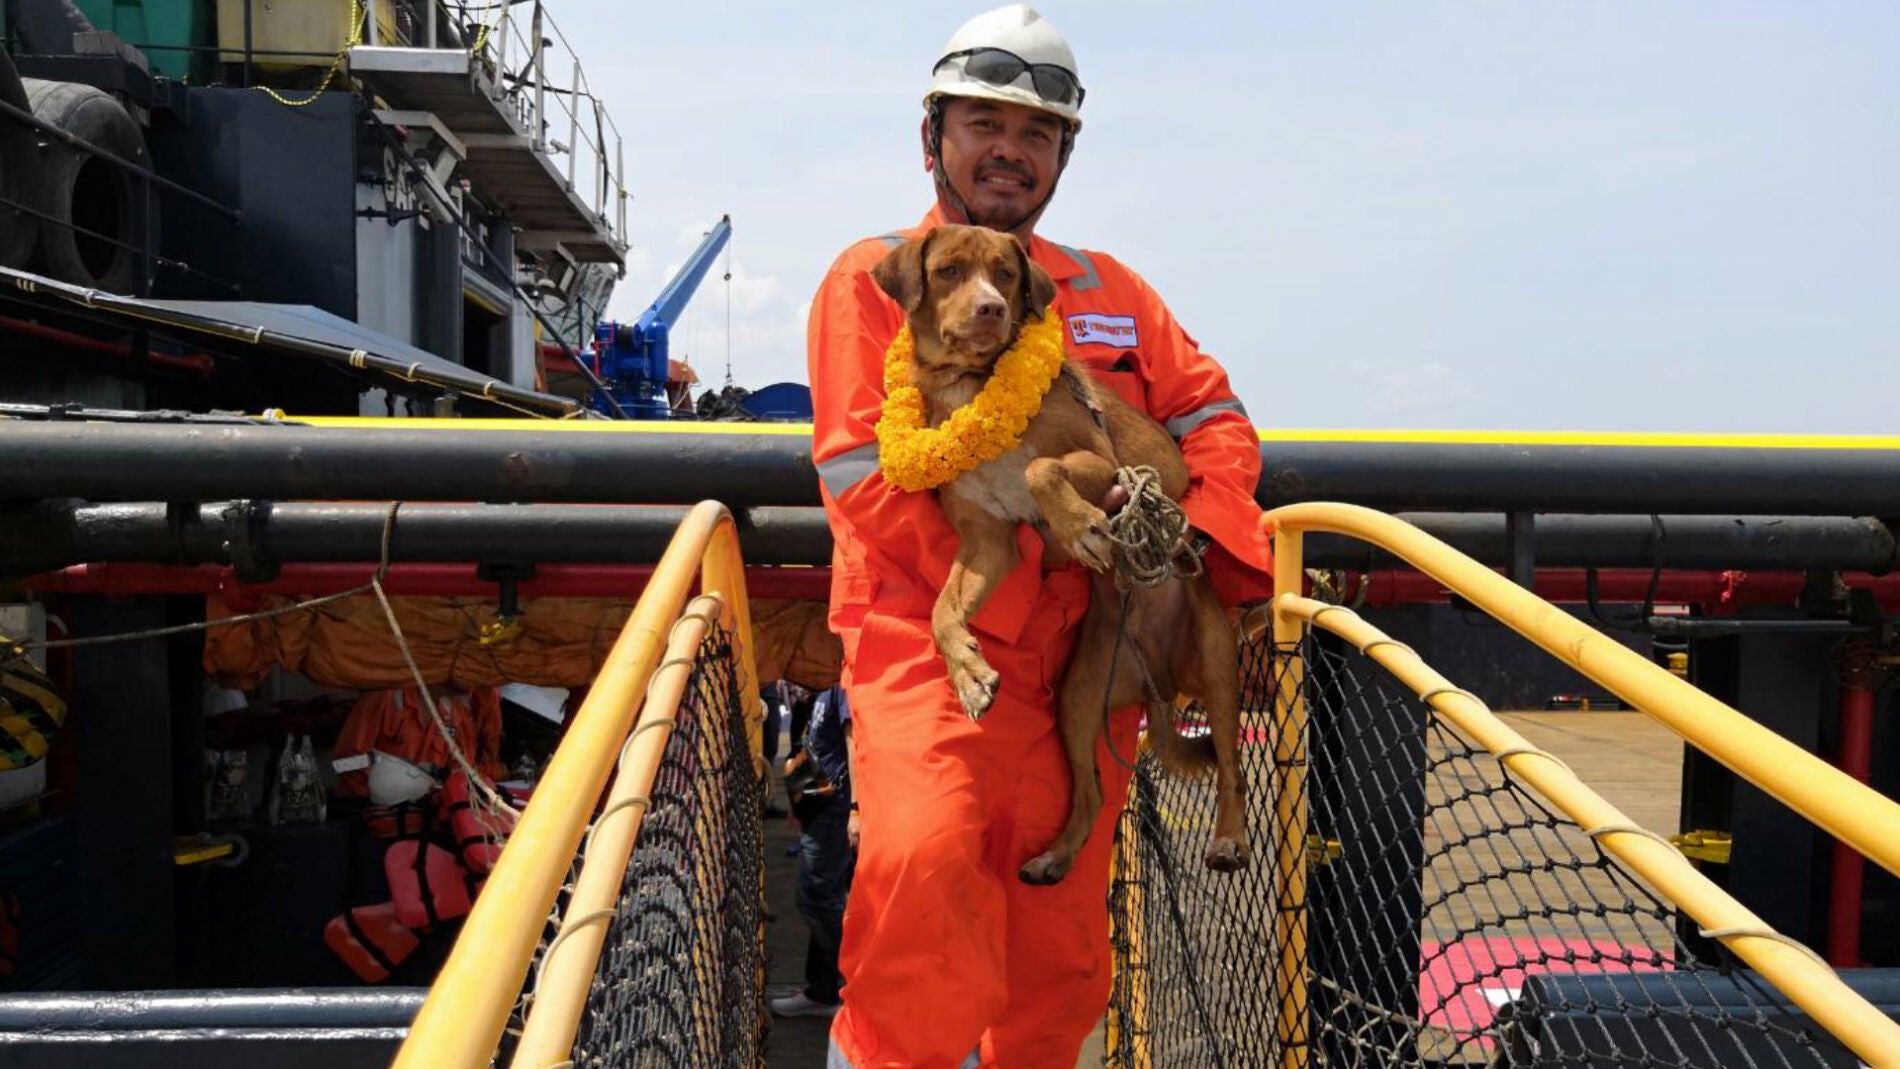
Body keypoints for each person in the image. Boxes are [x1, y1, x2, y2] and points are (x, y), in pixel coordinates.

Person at [806, 6, 1272, 1067]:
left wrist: (1184, 540)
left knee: (1056, 949)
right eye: (984, 124)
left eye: (1038, 134)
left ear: (1062, 155)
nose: (1010, 150)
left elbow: (1210, 419)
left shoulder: (1108, 291)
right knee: (920, 886)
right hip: (937, 649)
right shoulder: (875, 276)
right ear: (934, 138)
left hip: (1090, 655)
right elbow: (861, 472)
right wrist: (1035, 569)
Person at [769, 684, 857, 1019]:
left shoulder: (845, 680)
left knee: (817, 896)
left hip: (835, 805)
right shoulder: (824, 680)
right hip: (818, 799)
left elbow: (854, 742)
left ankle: (851, 979)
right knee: (829, 895)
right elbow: (814, 741)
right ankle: (824, 988)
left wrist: (856, 807)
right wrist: (798, 799)